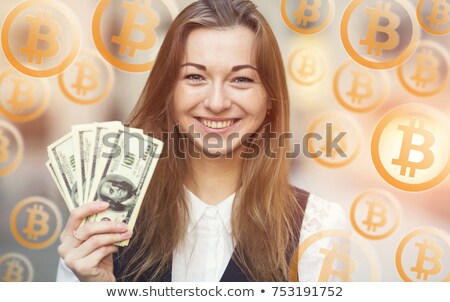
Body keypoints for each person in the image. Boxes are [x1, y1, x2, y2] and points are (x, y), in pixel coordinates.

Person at [56, 0, 347, 282]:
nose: (217, 102)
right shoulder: (103, 217)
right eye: (195, 76)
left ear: (269, 97)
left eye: (241, 79)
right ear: (168, 92)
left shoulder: (316, 226)